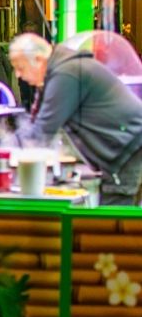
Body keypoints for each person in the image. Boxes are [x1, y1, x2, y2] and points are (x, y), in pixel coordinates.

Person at [10, 33, 142, 205]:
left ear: (39, 59)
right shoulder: (59, 71)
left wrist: (8, 158)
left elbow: (42, 131)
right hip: (124, 147)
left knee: (114, 219)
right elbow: (36, 121)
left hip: (127, 149)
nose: (18, 75)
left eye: (20, 68)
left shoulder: (66, 73)